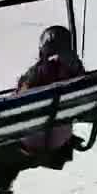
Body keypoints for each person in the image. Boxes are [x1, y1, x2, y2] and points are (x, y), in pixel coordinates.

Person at [18, 25, 85, 155]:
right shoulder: (77, 70)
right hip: (62, 138)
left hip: (34, 141)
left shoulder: (40, 71)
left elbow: (20, 97)